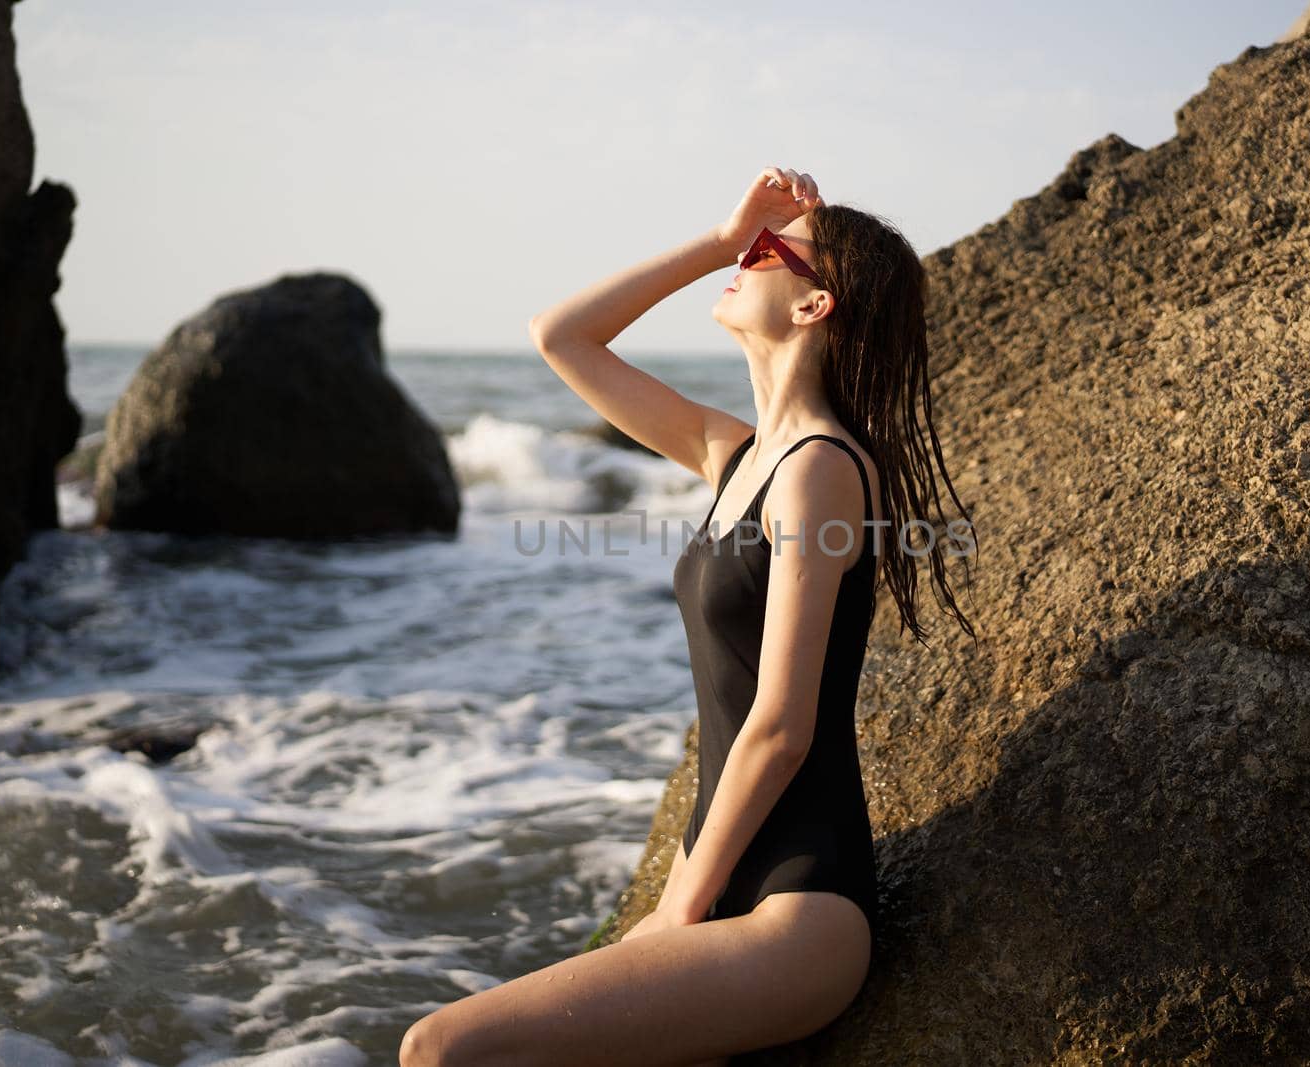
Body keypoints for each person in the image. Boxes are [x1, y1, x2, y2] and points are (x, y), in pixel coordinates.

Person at [399, 166, 977, 1067]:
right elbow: (563, 337)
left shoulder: (822, 469)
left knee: (441, 1049)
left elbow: (781, 726)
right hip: (724, 876)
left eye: (765, 252)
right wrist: (719, 237)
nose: (745, 256)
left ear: (817, 304)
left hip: (798, 907)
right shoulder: (736, 453)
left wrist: (676, 910)